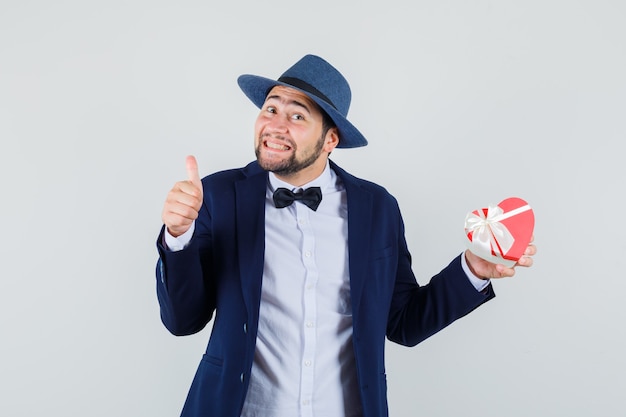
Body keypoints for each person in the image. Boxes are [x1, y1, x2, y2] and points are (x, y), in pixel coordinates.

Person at [156, 54, 536, 417]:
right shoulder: (218, 197)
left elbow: (404, 323)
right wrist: (178, 237)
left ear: (330, 140)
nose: (275, 124)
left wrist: (473, 269)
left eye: (297, 115)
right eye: (271, 108)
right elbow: (183, 320)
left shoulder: (377, 208)